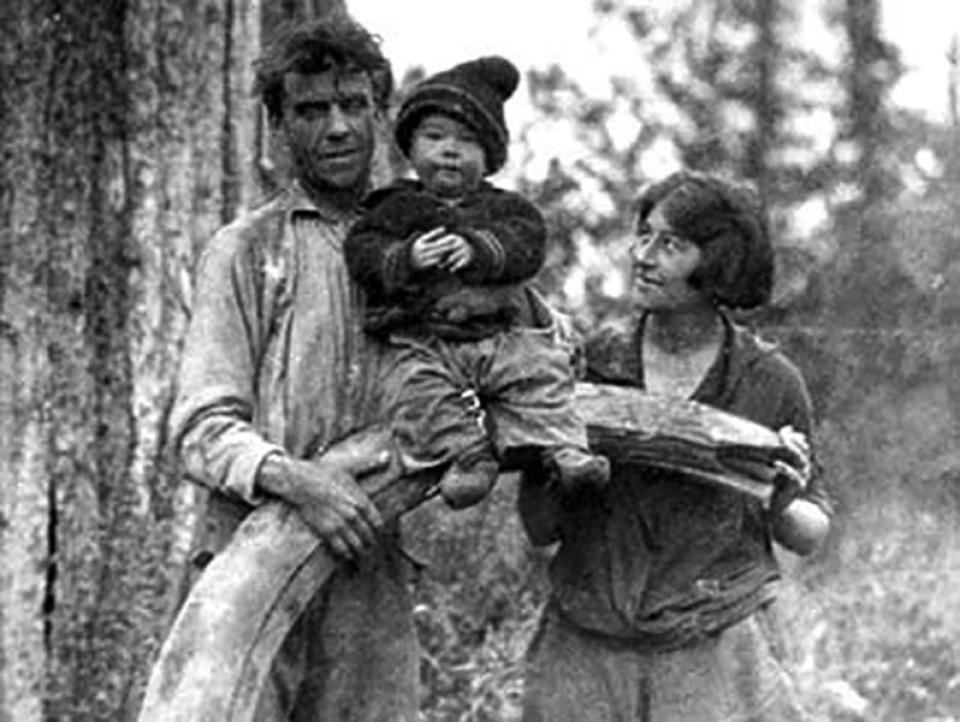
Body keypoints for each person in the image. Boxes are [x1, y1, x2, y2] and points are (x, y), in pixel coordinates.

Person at [168, 18, 420, 720]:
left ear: (381, 113)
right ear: (278, 125)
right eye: (311, 110)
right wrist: (300, 482)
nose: (337, 128)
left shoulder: (421, 251)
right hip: (249, 559)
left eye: (353, 105)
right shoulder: (246, 251)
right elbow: (201, 427)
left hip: (368, 561)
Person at [518, 170, 832, 721]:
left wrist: (780, 500)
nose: (643, 255)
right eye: (643, 236)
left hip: (711, 652)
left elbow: (810, 532)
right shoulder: (591, 364)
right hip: (586, 648)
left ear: (720, 262)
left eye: (671, 244)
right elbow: (539, 525)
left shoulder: (767, 380)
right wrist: (562, 474)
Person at [344, 56, 609, 509]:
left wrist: (478, 250)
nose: (450, 149)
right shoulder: (391, 207)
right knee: (415, 393)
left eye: (466, 141)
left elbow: (527, 245)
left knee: (541, 372)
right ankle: (467, 457)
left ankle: (563, 448)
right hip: (423, 341)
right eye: (434, 137)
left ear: (488, 157)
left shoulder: (506, 210)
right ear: (410, 147)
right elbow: (363, 251)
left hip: (500, 336)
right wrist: (406, 257)